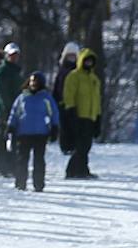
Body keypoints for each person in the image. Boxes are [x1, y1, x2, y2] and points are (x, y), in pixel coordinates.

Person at [7, 72, 59, 191]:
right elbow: (15, 113)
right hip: (24, 133)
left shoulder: (46, 98)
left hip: (40, 133)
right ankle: (20, 183)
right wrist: (11, 126)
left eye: (36, 82)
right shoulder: (22, 97)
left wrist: (55, 127)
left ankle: (38, 184)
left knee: (39, 160)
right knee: (22, 159)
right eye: (32, 81)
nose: (34, 84)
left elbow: (54, 113)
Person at [62, 48, 103, 180]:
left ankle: (83, 169)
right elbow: (69, 95)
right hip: (78, 115)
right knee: (80, 145)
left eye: (91, 61)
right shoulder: (74, 76)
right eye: (86, 61)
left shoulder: (94, 79)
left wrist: (98, 117)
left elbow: (96, 99)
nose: (89, 64)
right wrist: (71, 110)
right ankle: (72, 170)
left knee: (86, 145)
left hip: (91, 116)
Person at [0, 43, 25, 178]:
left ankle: (10, 166)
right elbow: (1, 91)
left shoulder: (16, 71)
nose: (14, 57)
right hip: (4, 110)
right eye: (11, 55)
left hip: (15, 109)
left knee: (13, 139)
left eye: (16, 55)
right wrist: (8, 107)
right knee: (2, 139)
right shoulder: (2, 70)